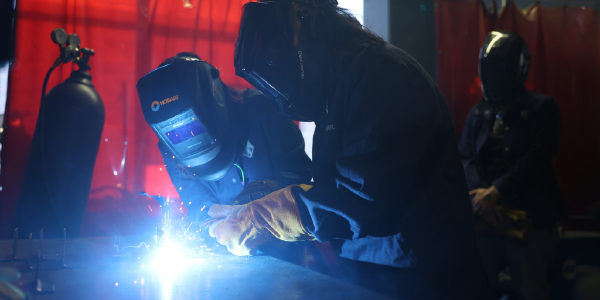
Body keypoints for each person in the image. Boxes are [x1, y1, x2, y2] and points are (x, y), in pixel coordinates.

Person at [206, 1, 492, 299]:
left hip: (426, 279)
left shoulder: (383, 74)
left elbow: (358, 196)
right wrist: (257, 207)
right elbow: (335, 188)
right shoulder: (339, 91)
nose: (281, 100)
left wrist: (263, 218)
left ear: (310, 26)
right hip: (371, 274)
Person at [136, 52, 312, 225]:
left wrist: (267, 190)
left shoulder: (265, 110)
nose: (189, 136)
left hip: (283, 239)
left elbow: (299, 174)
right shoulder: (170, 145)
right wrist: (213, 220)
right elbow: (197, 203)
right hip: (224, 246)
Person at [460, 31, 565, 300]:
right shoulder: (478, 112)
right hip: (485, 217)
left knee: (530, 291)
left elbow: (537, 158)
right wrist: (481, 199)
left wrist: (495, 192)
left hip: (530, 220)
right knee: (476, 288)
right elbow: (466, 157)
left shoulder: (543, 107)